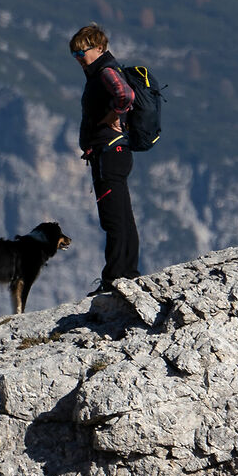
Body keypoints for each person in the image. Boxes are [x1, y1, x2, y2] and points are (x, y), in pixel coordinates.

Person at [70, 23, 140, 293]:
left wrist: (112, 117)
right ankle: (129, 272)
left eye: (81, 52)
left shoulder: (105, 71)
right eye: (74, 55)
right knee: (123, 215)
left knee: (112, 218)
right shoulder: (101, 71)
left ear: (99, 48)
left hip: (110, 153)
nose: (78, 59)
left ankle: (113, 279)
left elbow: (125, 95)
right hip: (116, 153)